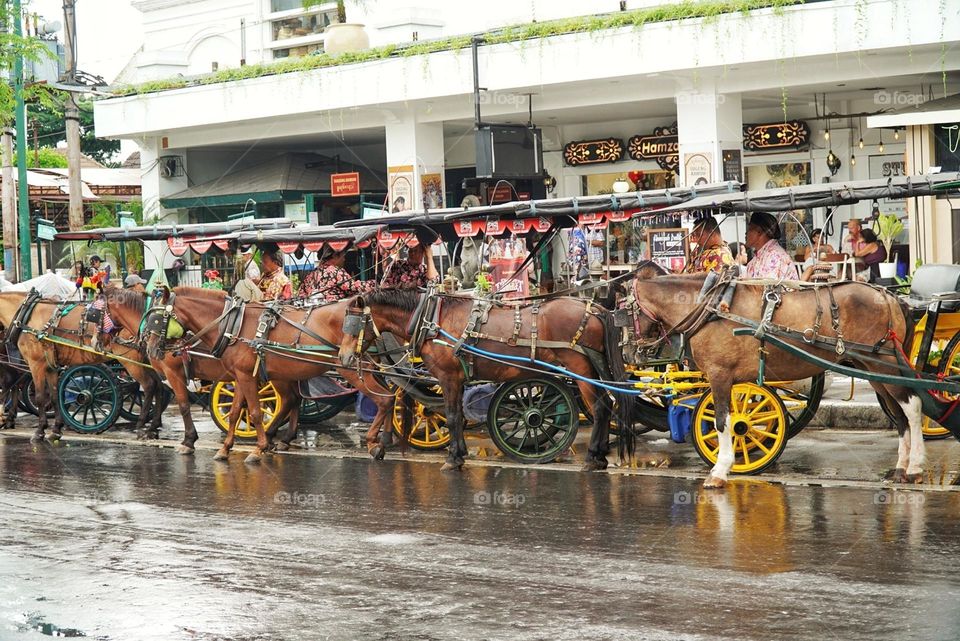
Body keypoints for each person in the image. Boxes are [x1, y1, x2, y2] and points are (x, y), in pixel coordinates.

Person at [299, 246, 375, 302]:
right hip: (333, 311)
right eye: (343, 256)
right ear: (335, 256)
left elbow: (301, 294)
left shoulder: (311, 274)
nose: (344, 259)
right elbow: (352, 287)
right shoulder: (335, 270)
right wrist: (374, 284)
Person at [744, 211, 796, 280]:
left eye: (750, 229)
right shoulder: (759, 257)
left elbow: (766, 289)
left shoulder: (774, 256)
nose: (746, 233)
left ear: (759, 232)